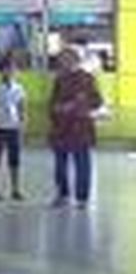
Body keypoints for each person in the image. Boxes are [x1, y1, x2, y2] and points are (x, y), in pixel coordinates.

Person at [49, 46, 103, 209]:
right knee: (60, 164)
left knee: (82, 163)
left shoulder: (87, 79)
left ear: (75, 60)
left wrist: (79, 105)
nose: (62, 62)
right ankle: (63, 194)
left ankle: (82, 198)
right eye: (61, 59)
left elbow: (97, 101)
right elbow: (52, 102)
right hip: (61, 129)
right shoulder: (59, 80)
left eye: (66, 58)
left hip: (81, 129)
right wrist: (57, 109)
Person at [0, 54, 26, 201]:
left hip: (13, 127)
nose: (10, 72)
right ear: (1, 71)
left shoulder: (19, 88)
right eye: (6, 69)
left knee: (14, 160)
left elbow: (22, 108)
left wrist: (22, 125)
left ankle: (15, 189)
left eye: (12, 69)